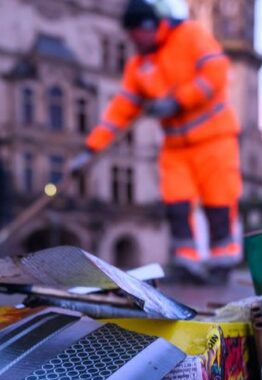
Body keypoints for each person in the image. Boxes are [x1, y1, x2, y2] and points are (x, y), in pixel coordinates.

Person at [68, 0, 243, 278]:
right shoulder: (138, 66)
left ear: (149, 26)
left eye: (134, 34)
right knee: (176, 203)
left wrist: (178, 101)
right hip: (175, 146)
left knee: (218, 200)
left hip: (214, 138)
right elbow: (119, 112)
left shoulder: (190, 35)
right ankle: (188, 262)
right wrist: (91, 150)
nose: (132, 41)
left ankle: (222, 262)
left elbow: (216, 73)